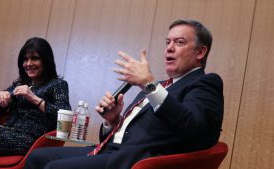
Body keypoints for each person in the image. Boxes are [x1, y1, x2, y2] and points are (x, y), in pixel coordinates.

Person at [25, 19, 224, 169]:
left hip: (134, 161)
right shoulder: (162, 86)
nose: (169, 48)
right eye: (167, 42)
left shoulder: (205, 83)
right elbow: (126, 132)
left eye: (179, 42)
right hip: (110, 150)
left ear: (200, 52)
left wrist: (148, 84)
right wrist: (113, 120)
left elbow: (193, 125)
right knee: (37, 157)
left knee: (54, 168)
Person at [0, 37, 72, 169]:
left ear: (46, 61)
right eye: (25, 59)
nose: (28, 63)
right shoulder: (19, 84)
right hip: (5, 131)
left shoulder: (57, 84)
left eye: (35, 58)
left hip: (27, 139)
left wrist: (34, 98)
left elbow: (65, 116)